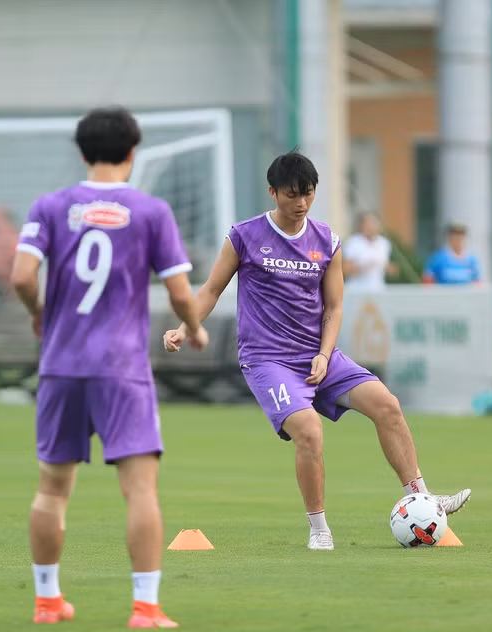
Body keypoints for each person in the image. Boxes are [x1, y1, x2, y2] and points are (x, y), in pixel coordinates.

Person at [162, 150, 470, 551]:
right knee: (309, 431)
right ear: (273, 192)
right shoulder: (244, 236)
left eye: (308, 193)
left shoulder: (327, 241)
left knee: (388, 405)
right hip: (268, 360)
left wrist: (325, 355)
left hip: (318, 355)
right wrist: (185, 327)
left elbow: (335, 307)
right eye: (292, 194)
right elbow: (210, 290)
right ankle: (319, 528)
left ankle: (423, 498)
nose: (302, 202)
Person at [10, 106, 209, 628]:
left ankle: (47, 601)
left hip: (61, 365)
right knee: (140, 491)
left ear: (82, 152)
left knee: (52, 489)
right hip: (121, 368)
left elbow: (21, 275)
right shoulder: (151, 211)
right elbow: (180, 292)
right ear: (132, 152)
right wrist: (193, 327)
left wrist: (38, 312)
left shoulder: (50, 206)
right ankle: (145, 607)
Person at [343, 211, 397, 292]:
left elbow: (389, 267)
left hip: (378, 290)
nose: (371, 227)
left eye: (374, 223)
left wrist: (390, 269)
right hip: (357, 290)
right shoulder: (353, 242)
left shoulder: (384, 243)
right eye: (368, 224)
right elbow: (345, 269)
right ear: (361, 225)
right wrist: (363, 267)